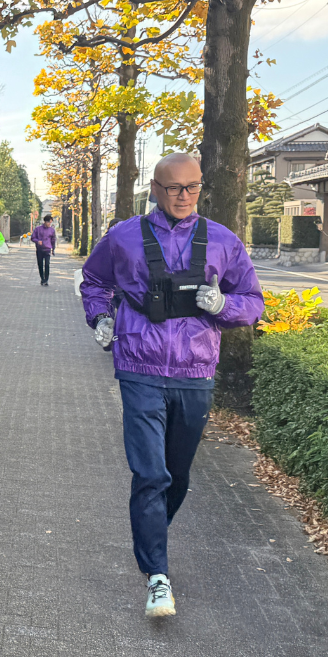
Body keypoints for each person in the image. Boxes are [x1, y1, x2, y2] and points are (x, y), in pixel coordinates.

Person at [80, 153, 262, 620]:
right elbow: (94, 280)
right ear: (155, 190)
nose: (183, 196)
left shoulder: (223, 241)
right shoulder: (123, 237)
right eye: (173, 187)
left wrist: (222, 304)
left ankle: (151, 530)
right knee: (151, 474)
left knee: (177, 475)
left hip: (196, 369)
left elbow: (252, 301)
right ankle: (157, 575)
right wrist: (100, 317)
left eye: (192, 187)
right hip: (138, 366)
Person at [31, 214, 56, 285]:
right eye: (49, 222)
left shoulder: (52, 230)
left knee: (47, 264)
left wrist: (53, 249)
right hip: (39, 249)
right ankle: (42, 278)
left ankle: (46, 279)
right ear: (45, 222)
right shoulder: (38, 229)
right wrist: (37, 241)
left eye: (50, 222)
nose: (49, 224)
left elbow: (53, 240)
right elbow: (33, 238)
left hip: (47, 249)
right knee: (40, 264)